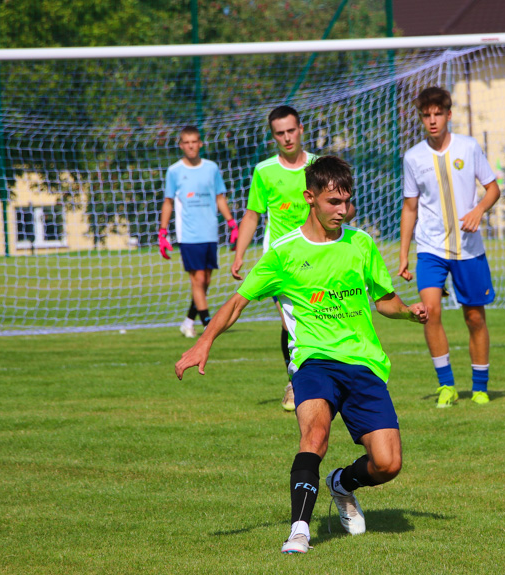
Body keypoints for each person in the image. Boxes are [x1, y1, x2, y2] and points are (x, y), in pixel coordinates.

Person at [175, 156, 428, 555]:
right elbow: (237, 303)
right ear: (310, 198)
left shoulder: (360, 244)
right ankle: (299, 530)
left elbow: (385, 300)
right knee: (315, 435)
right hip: (313, 362)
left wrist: (410, 312)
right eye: (333, 202)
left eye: (347, 201)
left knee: (388, 463)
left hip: (363, 362)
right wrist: (204, 341)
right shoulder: (284, 252)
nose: (342, 210)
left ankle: (341, 484)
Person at [398, 86, 501, 408]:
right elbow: (410, 208)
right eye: (426, 115)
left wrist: (478, 210)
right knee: (429, 313)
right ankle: (446, 386)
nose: (432, 120)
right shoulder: (413, 157)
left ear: (448, 115)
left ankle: (480, 387)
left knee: (474, 318)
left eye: (437, 114)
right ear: (420, 117)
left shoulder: (469, 148)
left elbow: (493, 189)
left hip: (468, 249)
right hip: (429, 248)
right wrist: (403, 254)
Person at [231, 106, 320, 412]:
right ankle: (296, 381)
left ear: (301, 129)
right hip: (280, 259)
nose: (286, 137)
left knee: (317, 318)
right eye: (280, 133)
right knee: (289, 322)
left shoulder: (319, 166)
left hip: (318, 254)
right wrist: (239, 254)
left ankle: (325, 378)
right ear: (274, 136)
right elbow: (253, 214)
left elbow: (341, 204)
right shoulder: (265, 171)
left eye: (291, 131)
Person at [159, 125, 237, 338]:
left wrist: (231, 223)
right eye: (187, 142)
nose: (191, 146)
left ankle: (187, 322)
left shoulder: (211, 168)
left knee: (205, 281)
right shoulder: (174, 171)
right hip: (188, 234)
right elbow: (167, 202)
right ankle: (208, 324)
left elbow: (220, 197)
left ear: (200, 143)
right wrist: (163, 232)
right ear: (181, 145)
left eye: (195, 141)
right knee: (198, 280)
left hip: (209, 232)